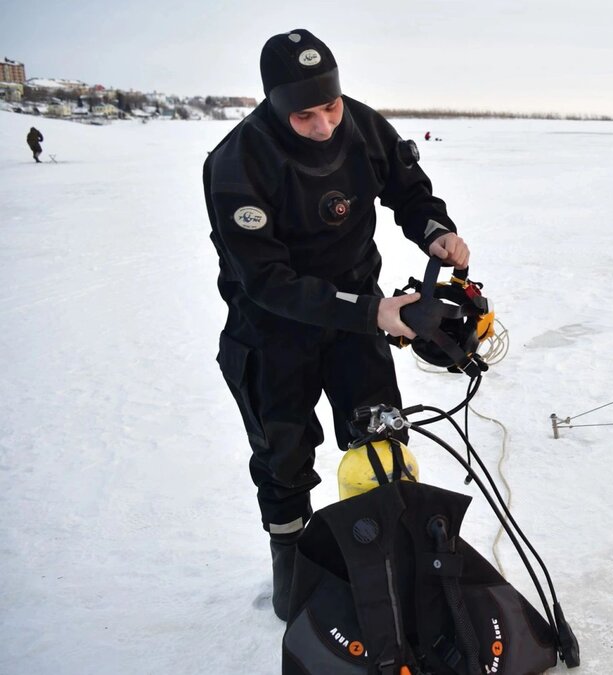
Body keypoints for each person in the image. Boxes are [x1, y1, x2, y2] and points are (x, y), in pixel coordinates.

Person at [202, 28, 470, 620]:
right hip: (271, 335)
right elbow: (267, 281)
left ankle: (388, 557)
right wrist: (373, 311)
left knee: (381, 439)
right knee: (285, 458)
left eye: (331, 106)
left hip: (356, 326)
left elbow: (409, 192)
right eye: (305, 115)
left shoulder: (364, 126)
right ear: (272, 104)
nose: (325, 125)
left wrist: (435, 232)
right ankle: (291, 565)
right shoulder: (236, 164)